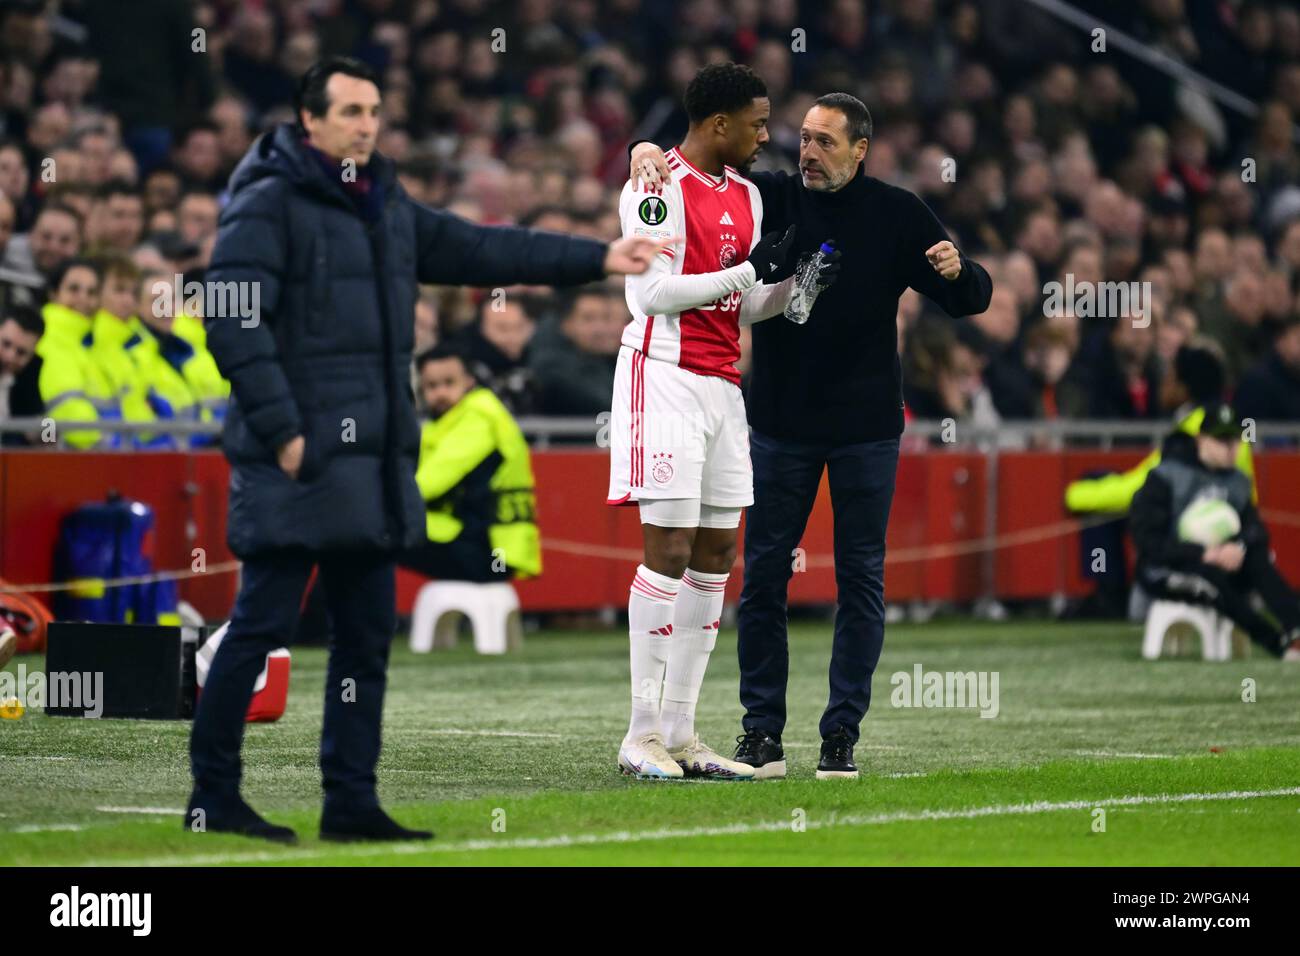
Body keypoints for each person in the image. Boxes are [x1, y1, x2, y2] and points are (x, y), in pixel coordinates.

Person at [189, 56, 667, 845]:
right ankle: (213, 796)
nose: (366, 124)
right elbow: (232, 321)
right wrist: (284, 433)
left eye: (374, 109)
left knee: (365, 640)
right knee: (258, 630)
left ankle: (350, 803)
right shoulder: (267, 202)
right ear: (309, 121)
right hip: (301, 462)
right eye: (349, 111)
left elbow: (482, 250)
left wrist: (596, 259)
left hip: (374, 469)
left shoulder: (386, 202)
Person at [632, 91, 990, 779]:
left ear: (862, 149)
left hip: (866, 429)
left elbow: (970, 298)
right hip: (779, 423)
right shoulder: (771, 195)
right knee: (763, 576)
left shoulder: (896, 212)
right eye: (804, 138)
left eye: (826, 141)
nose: (808, 152)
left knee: (860, 580)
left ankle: (840, 736)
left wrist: (961, 270)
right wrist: (641, 151)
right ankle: (760, 733)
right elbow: (691, 162)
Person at [609, 63, 836, 782]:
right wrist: (745, 275)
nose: (766, 136)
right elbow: (651, 293)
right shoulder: (654, 185)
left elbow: (743, 307)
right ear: (718, 124)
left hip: (720, 385)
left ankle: (680, 734)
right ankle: (639, 734)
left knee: (716, 557)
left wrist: (796, 285)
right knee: (669, 548)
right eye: (758, 123)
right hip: (663, 375)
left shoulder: (744, 194)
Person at [1131, 401, 1300, 659]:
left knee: (1259, 560)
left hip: (1224, 560)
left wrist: (1237, 547)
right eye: (1223, 440)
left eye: (1235, 440)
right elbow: (1147, 539)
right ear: (1201, 440)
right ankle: (1277, 644)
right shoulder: (1164, 477)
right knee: (1210, 580)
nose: (1232, 448)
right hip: (1170, 567)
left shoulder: (1238, 481)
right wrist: (1202, 553)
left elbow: (1256, 531)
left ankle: (1295, 628)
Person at [400, 344, 540, 583]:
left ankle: (336, 620)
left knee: (372, 538)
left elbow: (427, 485)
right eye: (432, 386)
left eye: (449, 383)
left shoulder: (480, 417)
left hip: (488, 550)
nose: (441, 393)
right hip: (472, 540)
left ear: (469, 381)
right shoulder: (447, 421)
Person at [0, 304, 44, 445]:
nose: (10, 356)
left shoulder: (29, 374)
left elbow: (43, 420)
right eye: (6, 344)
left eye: (21, 352)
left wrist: (46, 437)